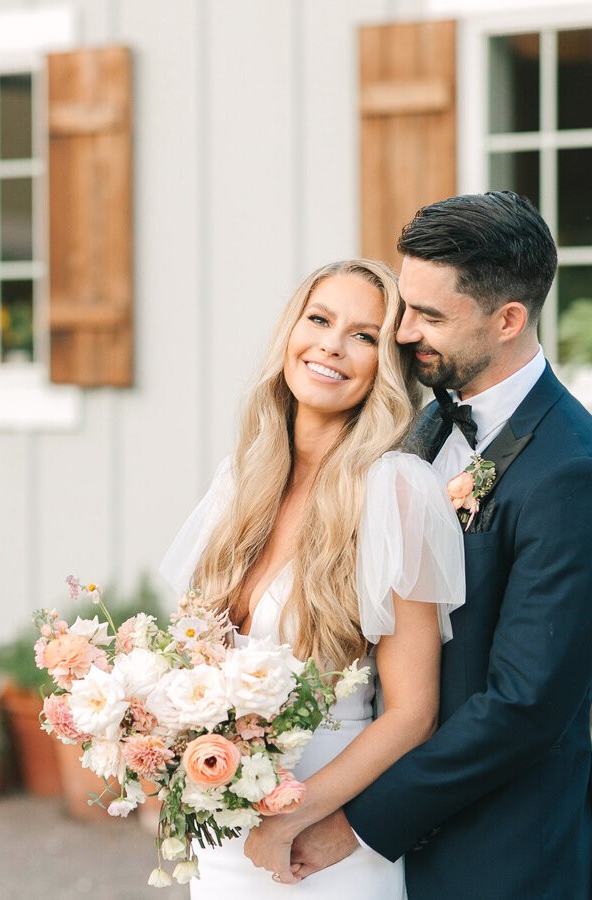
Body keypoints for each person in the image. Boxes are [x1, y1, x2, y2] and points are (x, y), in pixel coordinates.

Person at [270, 192, 592, 898]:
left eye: (431, 316)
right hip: (379, 833)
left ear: (508, 320)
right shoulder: (421, 424)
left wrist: (354, 821)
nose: (401, 333)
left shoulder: (575, 478)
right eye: (405, 306)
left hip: (496, 856)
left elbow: (523, 708)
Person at [159, 258, 466, 897]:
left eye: (363, 335)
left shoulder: (396, 491)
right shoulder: (241, 481)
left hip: (321, 844)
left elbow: (413, 714)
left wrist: (293, 816)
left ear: (386, 364)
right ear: (291, 332)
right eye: (320, 319)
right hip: (223, 833)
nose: (331, 344)